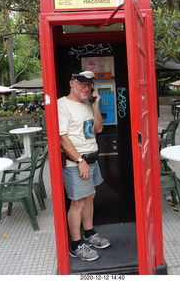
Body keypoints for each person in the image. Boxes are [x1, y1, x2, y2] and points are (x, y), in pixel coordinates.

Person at [57, 70, 110, 261]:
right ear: (72, 83)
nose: (86, 88)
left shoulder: (87, 103)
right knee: (78, 202)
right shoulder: (62, 104)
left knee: (90, 197)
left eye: (88, 85)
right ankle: (76, 244)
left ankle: (89, 233)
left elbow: (98, 128)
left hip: (92, 159)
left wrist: (95, 105)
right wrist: (80, 161)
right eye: (82, 84)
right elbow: (62, 138)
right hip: (76, 162)